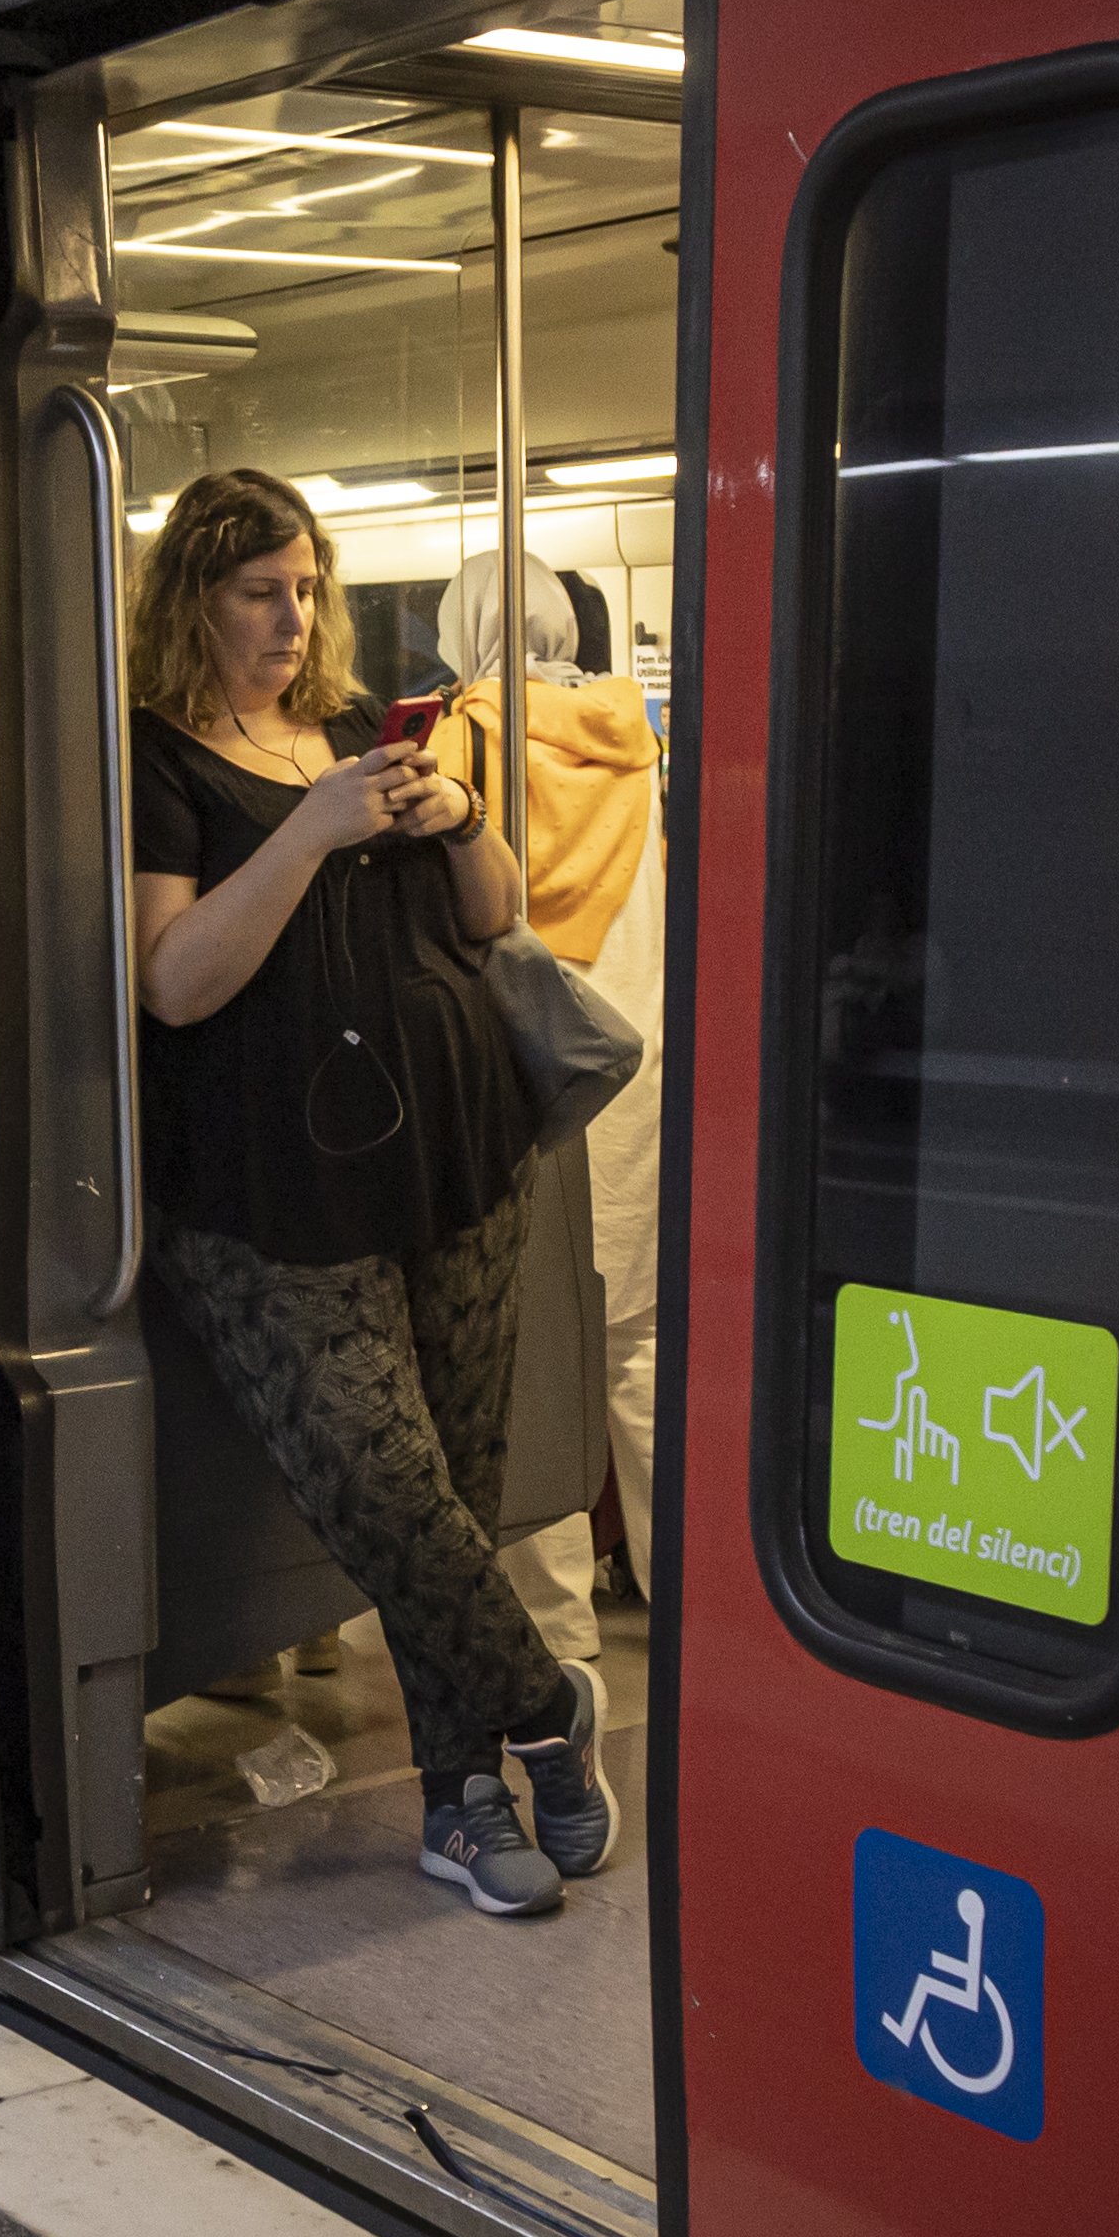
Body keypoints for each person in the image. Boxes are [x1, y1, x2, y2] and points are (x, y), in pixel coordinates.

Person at [128, 470, 615, 1917]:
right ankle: (549, 1703)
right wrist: (310, 830)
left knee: (453, 1494)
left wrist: (458, 812)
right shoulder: (155, 755)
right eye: (260, 591)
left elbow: (494, 916)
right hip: (270, 1200)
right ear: (194, 601)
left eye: (307, 587)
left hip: (458, 1159)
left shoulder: (358, 730)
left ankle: (464, 1807)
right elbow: (172, 978)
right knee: (387, 1492)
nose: (295, 616)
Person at [416, 555, 666, 1666]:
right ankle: (690, 1591)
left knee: (529, 1359)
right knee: (636, 1347)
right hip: (636, 1063)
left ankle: (556, 1636)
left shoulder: (459, 740)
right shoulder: (636, 742)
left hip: (526, 1072)